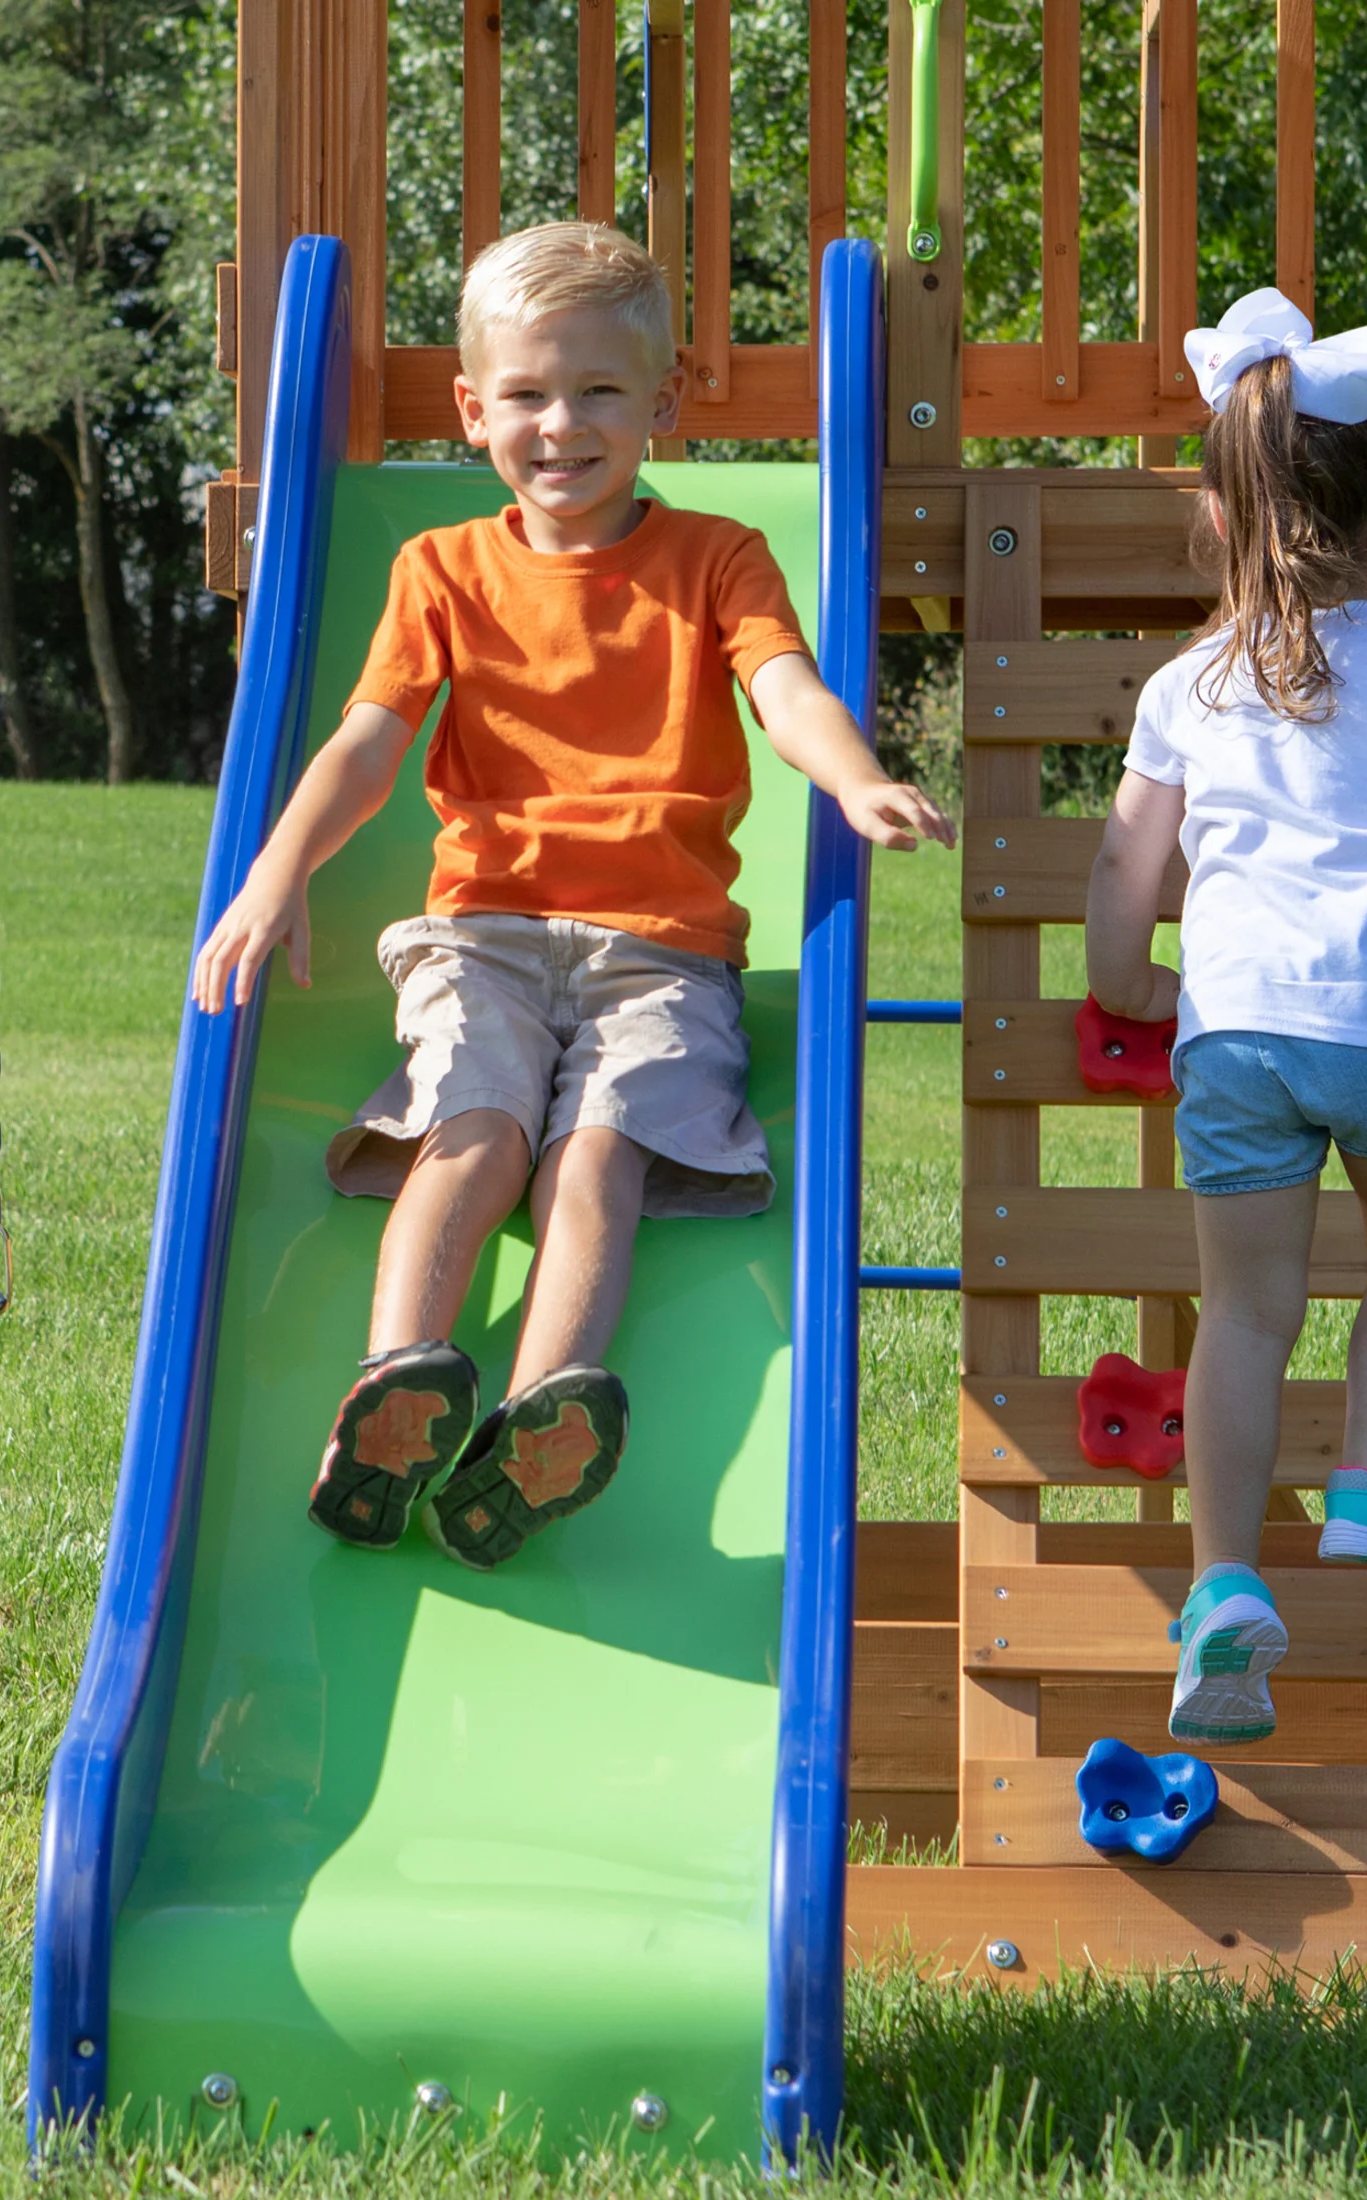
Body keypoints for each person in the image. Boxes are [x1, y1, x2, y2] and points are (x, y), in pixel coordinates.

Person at [192, 222, 953, 1571]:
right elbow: (369, 739)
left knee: (595, 1160)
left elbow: (785, 689)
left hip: (661, 955)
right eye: (530, 395)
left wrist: (853, 781)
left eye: (601, 392)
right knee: (474, 1139)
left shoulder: (717, 559)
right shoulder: (440, 571)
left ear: (662, 406)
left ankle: (541, 1421)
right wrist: (277, 868)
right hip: (480, 935)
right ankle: (399, 1392)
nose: (563, 425)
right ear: (476, 409)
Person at [1083, 287, 1367, 1744]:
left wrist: (1123, 986)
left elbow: (1125, 865)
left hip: (1235, 1043)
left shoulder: (1183, 687)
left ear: (1219, 522)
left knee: (1249, 1309)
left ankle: (1224, 1585)